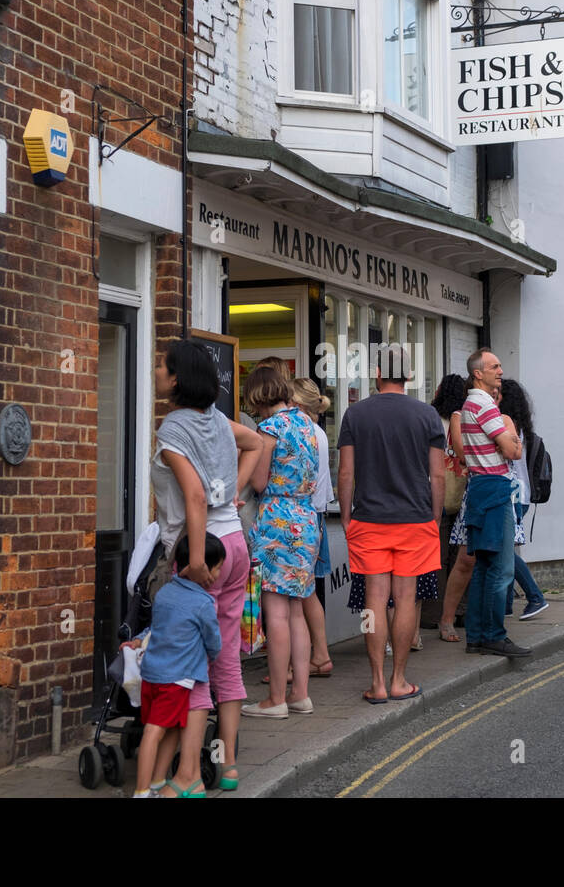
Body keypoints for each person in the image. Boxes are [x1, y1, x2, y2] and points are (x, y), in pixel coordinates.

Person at [148, 339, 261, 794]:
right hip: (235, 542)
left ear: (176, 379)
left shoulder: (173, 428)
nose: (157, 371)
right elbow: (256, 441)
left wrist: (195, 561)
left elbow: (193, 496)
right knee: (226, 654)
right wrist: (233, 491)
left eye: (162, 365)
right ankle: (229, 766)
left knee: (189, 662)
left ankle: (189, 774)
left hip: (204, 549)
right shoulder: (216, 420)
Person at [338, 343, 445, 703]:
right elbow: (438, 475)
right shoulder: (428, 415)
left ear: (377, 374)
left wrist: (347, 516)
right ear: (409, 375)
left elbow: (346, 472)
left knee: (374, 602)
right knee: (405, 599)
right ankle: (399, 679)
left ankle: (377, 683)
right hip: (415, 520)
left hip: (369, 520)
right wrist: (434, 516)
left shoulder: (356, 415)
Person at [241, 366, 321, 719]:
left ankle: (275, 699)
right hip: (306, 520)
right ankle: (300, 694)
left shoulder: (268, 429)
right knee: (295, 610)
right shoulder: (306, 423)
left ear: (257, 396)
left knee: (274, 610)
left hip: (277, 519)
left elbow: (259, 483)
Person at [123, 532, 224, 798]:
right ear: (201, 566)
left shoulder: (166, 592)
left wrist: (137, 640)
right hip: (176, 681)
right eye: (217, 567)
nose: (217, 574)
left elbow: (156, 629)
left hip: (153, 675)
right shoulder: (204, 603)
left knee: (170, 731)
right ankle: (142, 791)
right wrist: (213, 654)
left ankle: (157, 782)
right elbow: (214, 642)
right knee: (153, 733)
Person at [458, 349, 530, 658]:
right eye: (494, 366)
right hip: (494, 486)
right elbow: (513, 452)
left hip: (481, 487)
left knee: (485, 567)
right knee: (501, 569)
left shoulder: (472, 404)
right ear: (478, 373)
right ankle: (493, 635)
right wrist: (512, 435)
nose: (500, 371)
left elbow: (509, 448)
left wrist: (509, 440)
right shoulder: (484, 404)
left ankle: (477, 636)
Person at [290, 378, 335, 679]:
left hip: (304, 516)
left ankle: (304, 660)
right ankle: (319, 655)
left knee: (299, 595)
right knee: (307, 594)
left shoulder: (302, 432)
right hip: (316, 516)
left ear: (295, 404)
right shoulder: (317, 431)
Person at [498, 380, 548, 620]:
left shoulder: (506, 426)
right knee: (510, 548)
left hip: (513, 494)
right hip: (523, 494)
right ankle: (506, 605)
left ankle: (535, 597)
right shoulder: (521, 427)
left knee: (506, 551)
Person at [435, 374, 476, 642]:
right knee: (462, 558)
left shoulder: (434, 421)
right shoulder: (465, 421)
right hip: (461, 495)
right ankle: (460, 611)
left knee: (437, 559)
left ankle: (432, 613)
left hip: (437, 495)